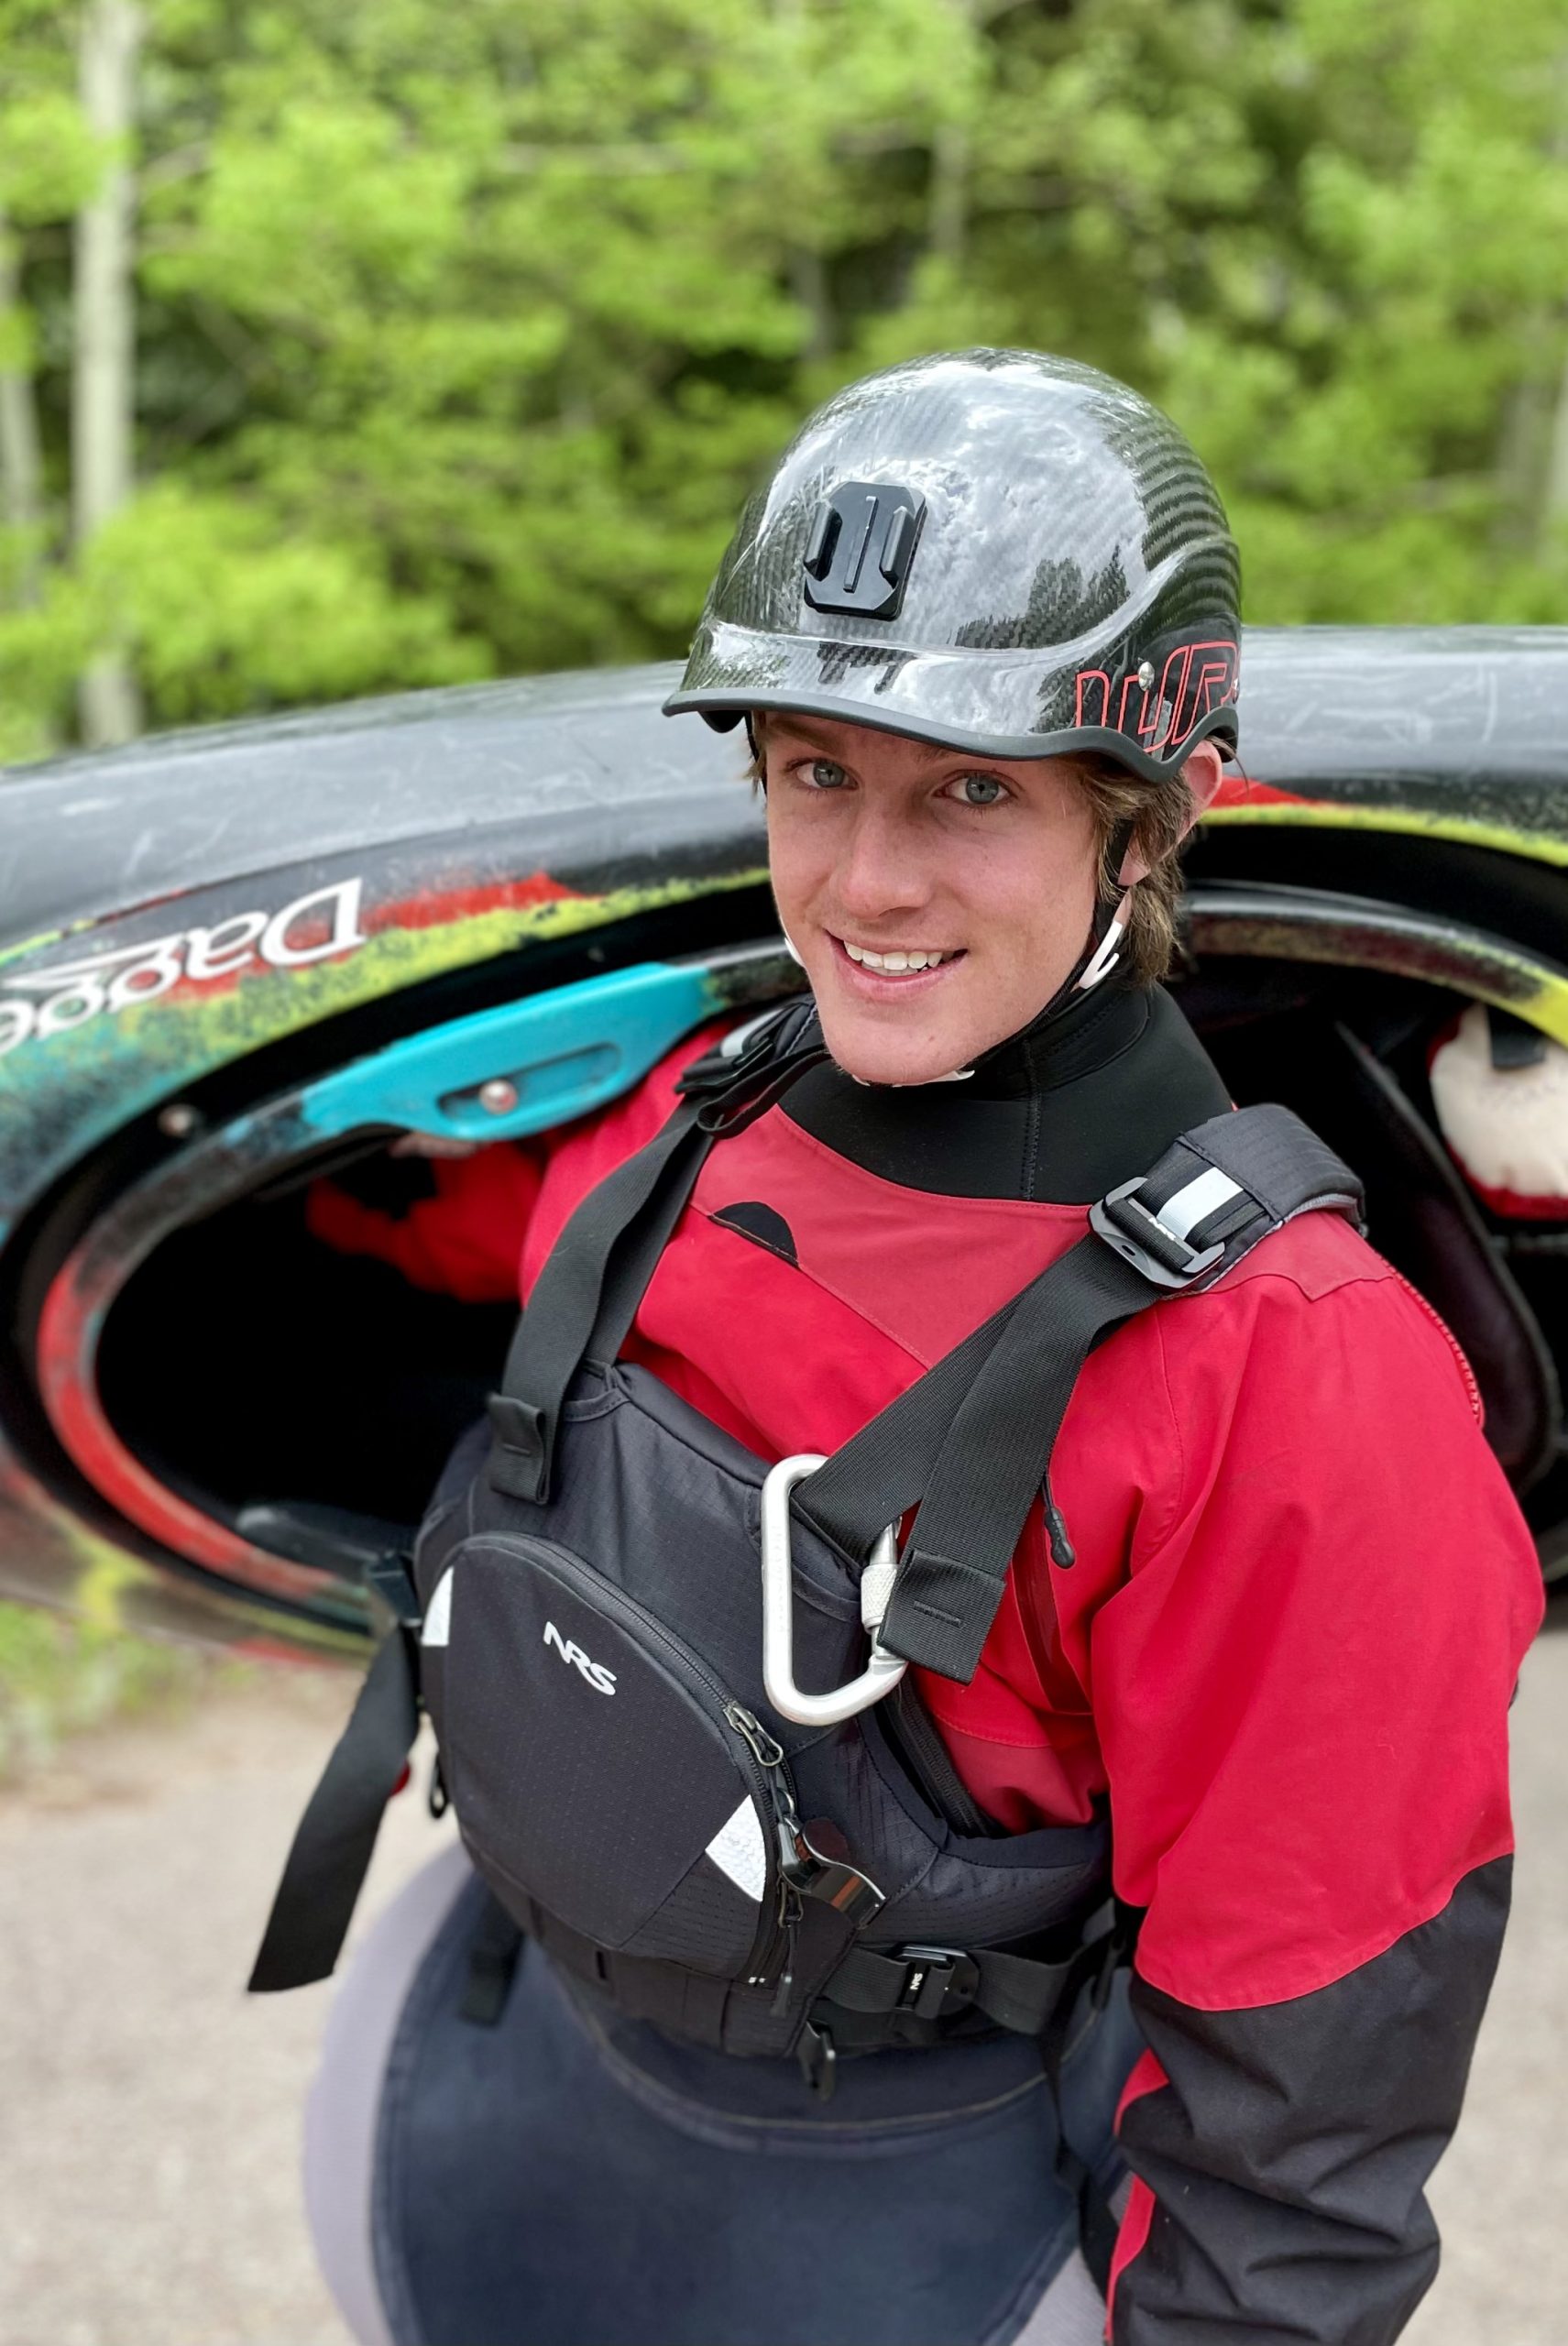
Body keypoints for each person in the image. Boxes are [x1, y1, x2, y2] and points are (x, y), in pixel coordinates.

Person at [267, 350, 1544, 2346]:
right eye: (812, 772)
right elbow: (409, 1255)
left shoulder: (1299, 1382)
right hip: (485, 2090)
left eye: (971, 790)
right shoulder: (684, 1114)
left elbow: (1303, 2098)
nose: (866, 882)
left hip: (918, 2234)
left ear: (1153, 812)